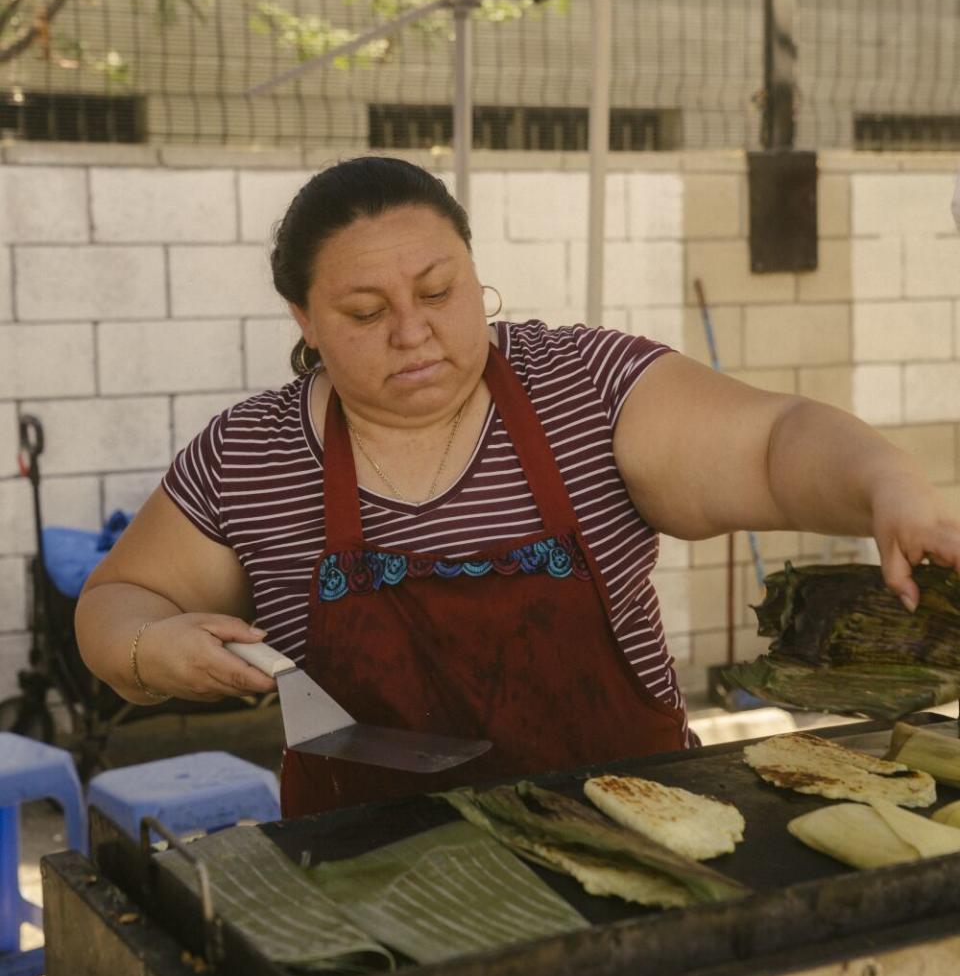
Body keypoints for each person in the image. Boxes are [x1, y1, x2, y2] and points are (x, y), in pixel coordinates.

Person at [76, 157, 960, 817]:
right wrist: (152, 650)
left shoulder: (583, 384)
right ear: (304, 320)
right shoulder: (251, 455)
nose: (414, 332)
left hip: (640, 829)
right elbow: (117, 600)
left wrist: (883, 480)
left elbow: (775, 441)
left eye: (439, 289)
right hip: (375, 882)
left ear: (473, 270)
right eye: (365, 313)